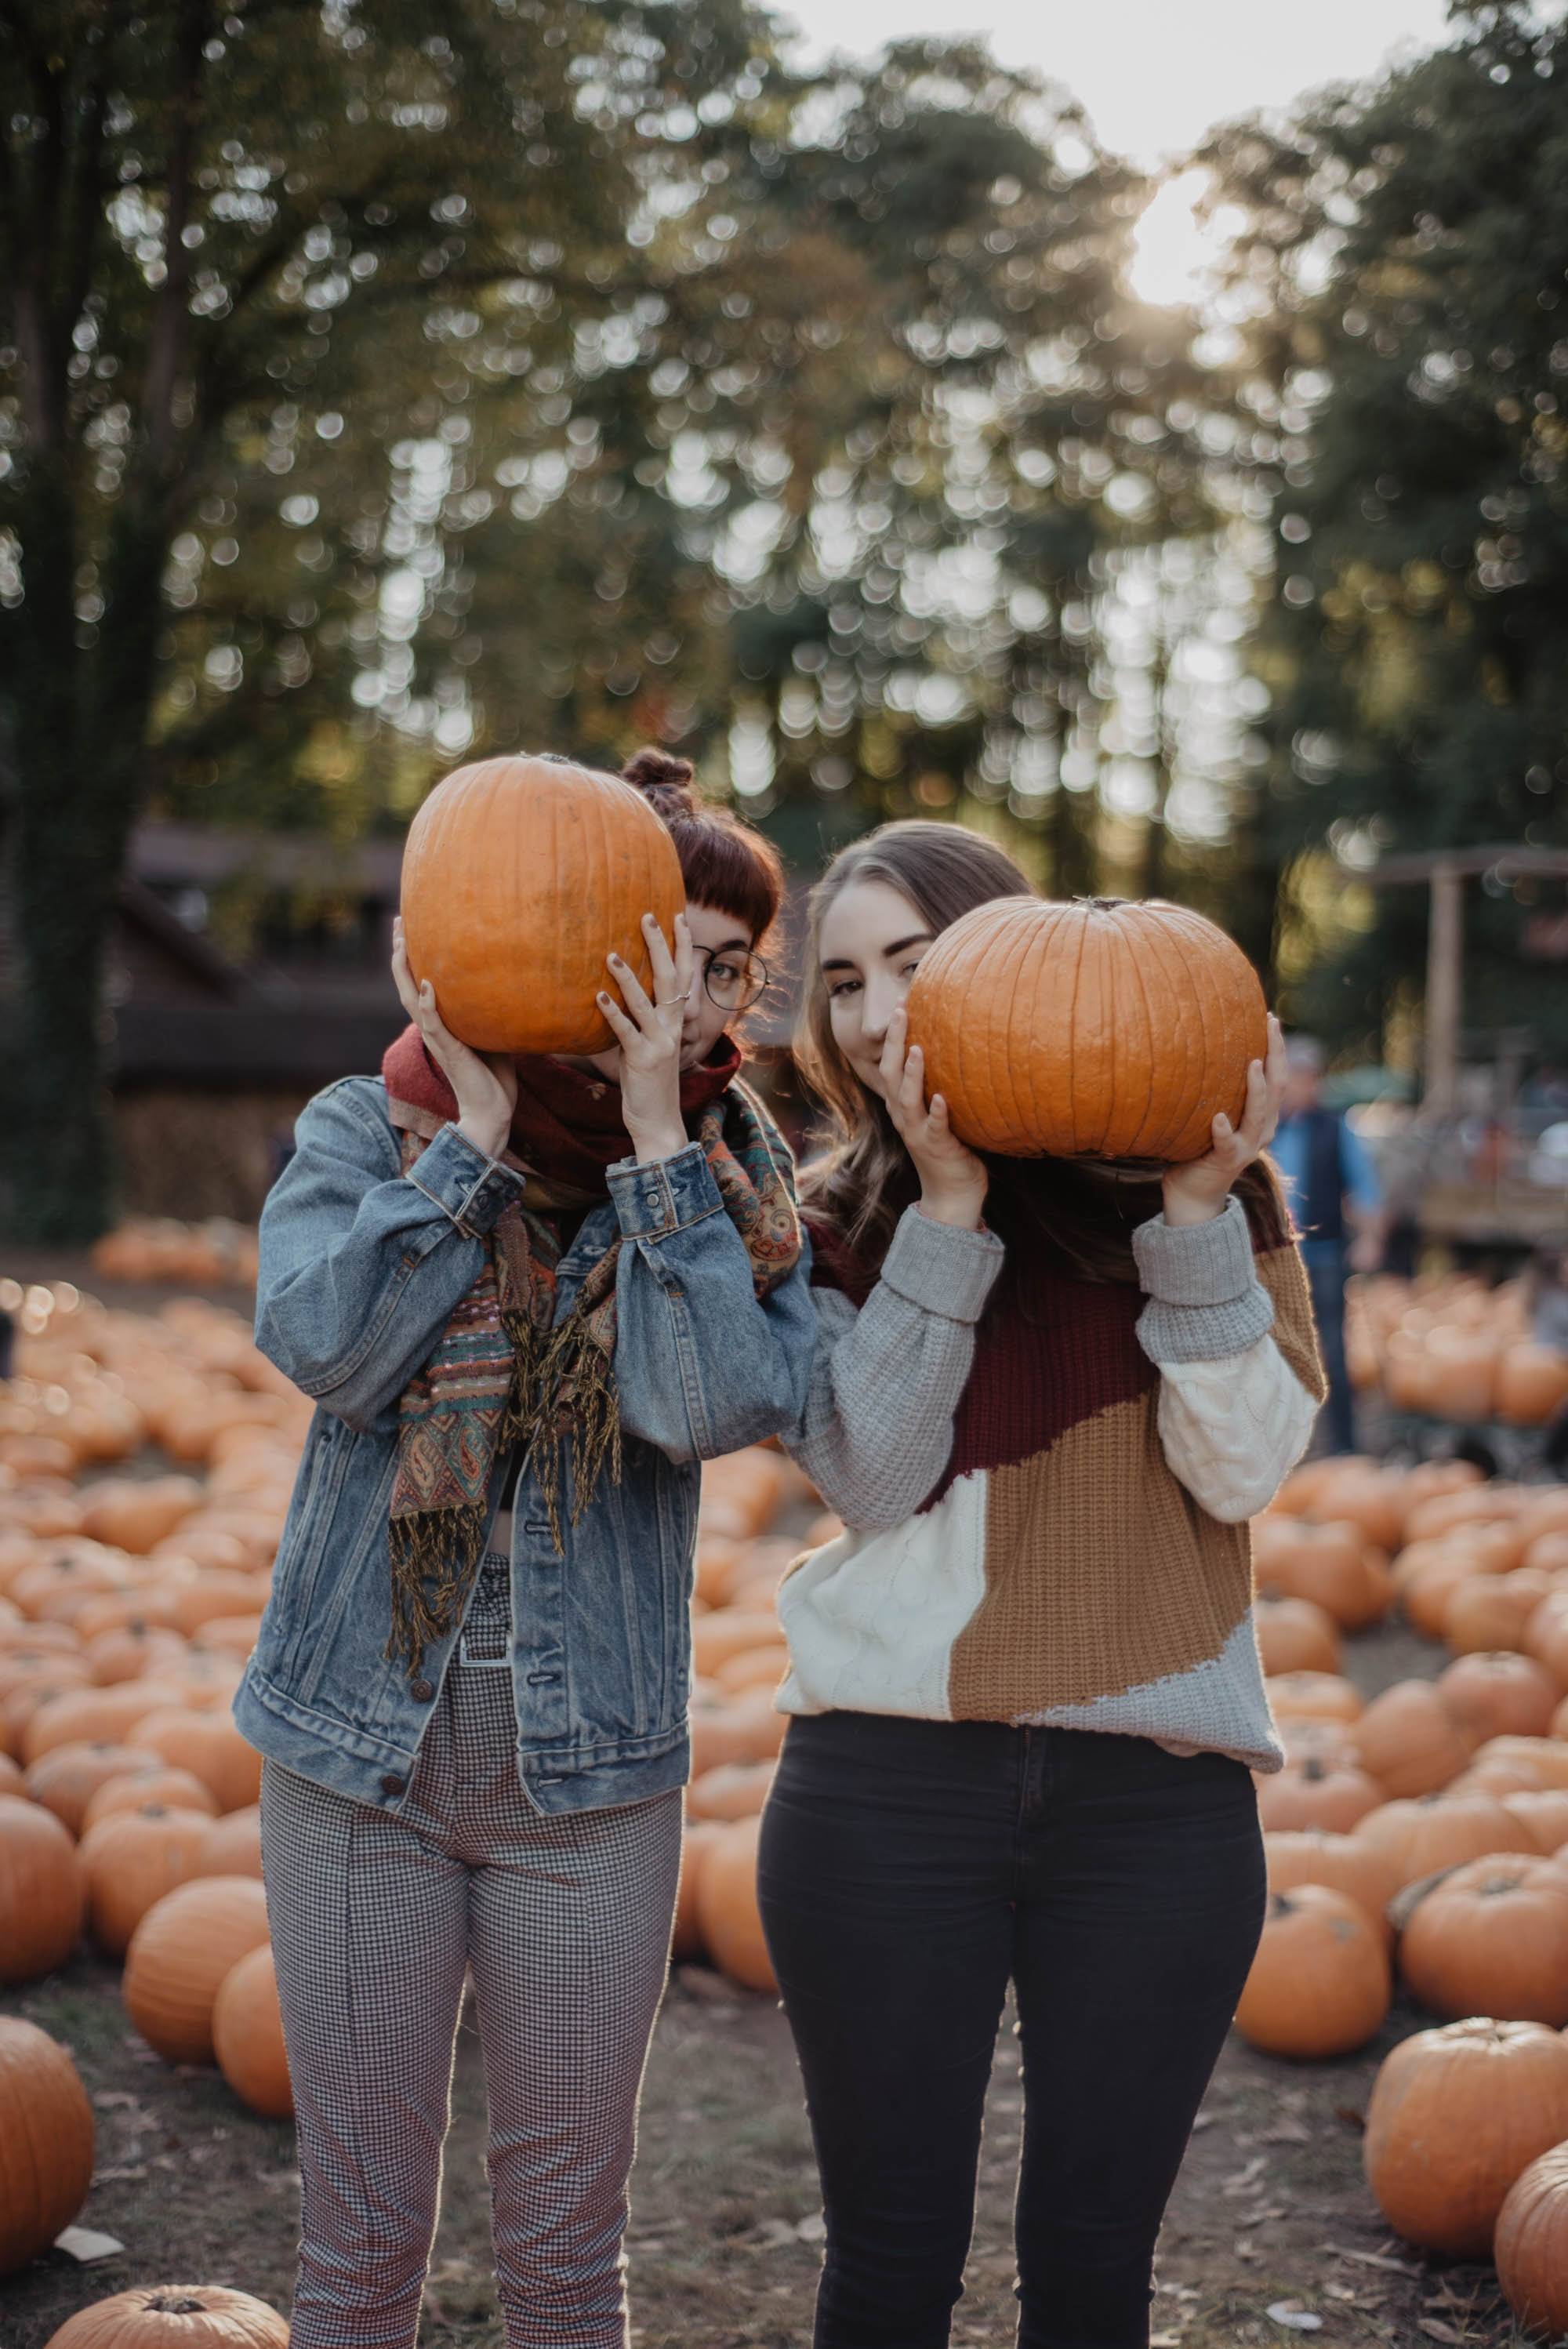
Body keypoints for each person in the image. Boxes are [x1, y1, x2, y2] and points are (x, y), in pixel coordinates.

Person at [235, 749, 815, 2349]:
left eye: (719, 973)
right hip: (362, 1760)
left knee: (567, 2255)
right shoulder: (373, 1124)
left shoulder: (729, 1189)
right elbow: (335, 1349)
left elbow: (703, 1404)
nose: (684, 1006)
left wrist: (649, 1151)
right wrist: (478, 1137)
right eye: (655, 959)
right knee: (358, 2255)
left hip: (591, 1786)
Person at [757, 822, 1327, 2349]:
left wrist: (1195, 1223)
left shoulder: (1211, 1202)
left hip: (1154, 1798)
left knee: (1090, 2274)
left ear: (1018, 966)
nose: (876, 1016)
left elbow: (1242, 1471)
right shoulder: (833, 1229)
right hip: (885, 1784)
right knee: (887, 2270)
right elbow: (874, 1472)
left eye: (915, 967)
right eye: (844, 981)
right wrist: (944, 1210)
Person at [1269, 1033, 1386, 1454]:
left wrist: (1370, 1239)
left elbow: (1366, 1188)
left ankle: (1343, 1448)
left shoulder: (1335, 1129)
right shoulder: (1264, 1128)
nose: (1303, 1085)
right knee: (1274, 1354)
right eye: (1295, 1076)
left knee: (1333, 1352)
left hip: (1323, 1256)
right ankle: (1280, 1447)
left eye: (1309, 1077)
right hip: (1271, 1261)